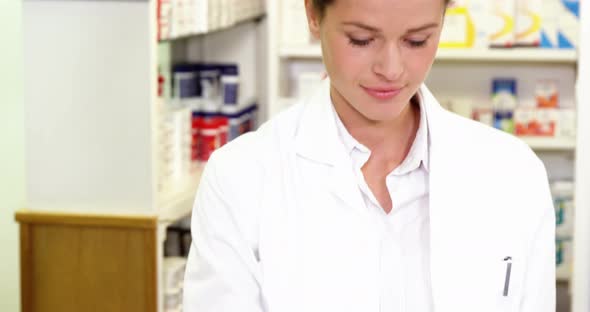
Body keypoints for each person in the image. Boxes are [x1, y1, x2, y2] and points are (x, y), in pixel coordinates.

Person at [183, 0, 556, 311]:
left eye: (417, 40)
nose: (391, 69)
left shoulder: (513, 174)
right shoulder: (241, 178)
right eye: (361, 40)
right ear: (313, 14)